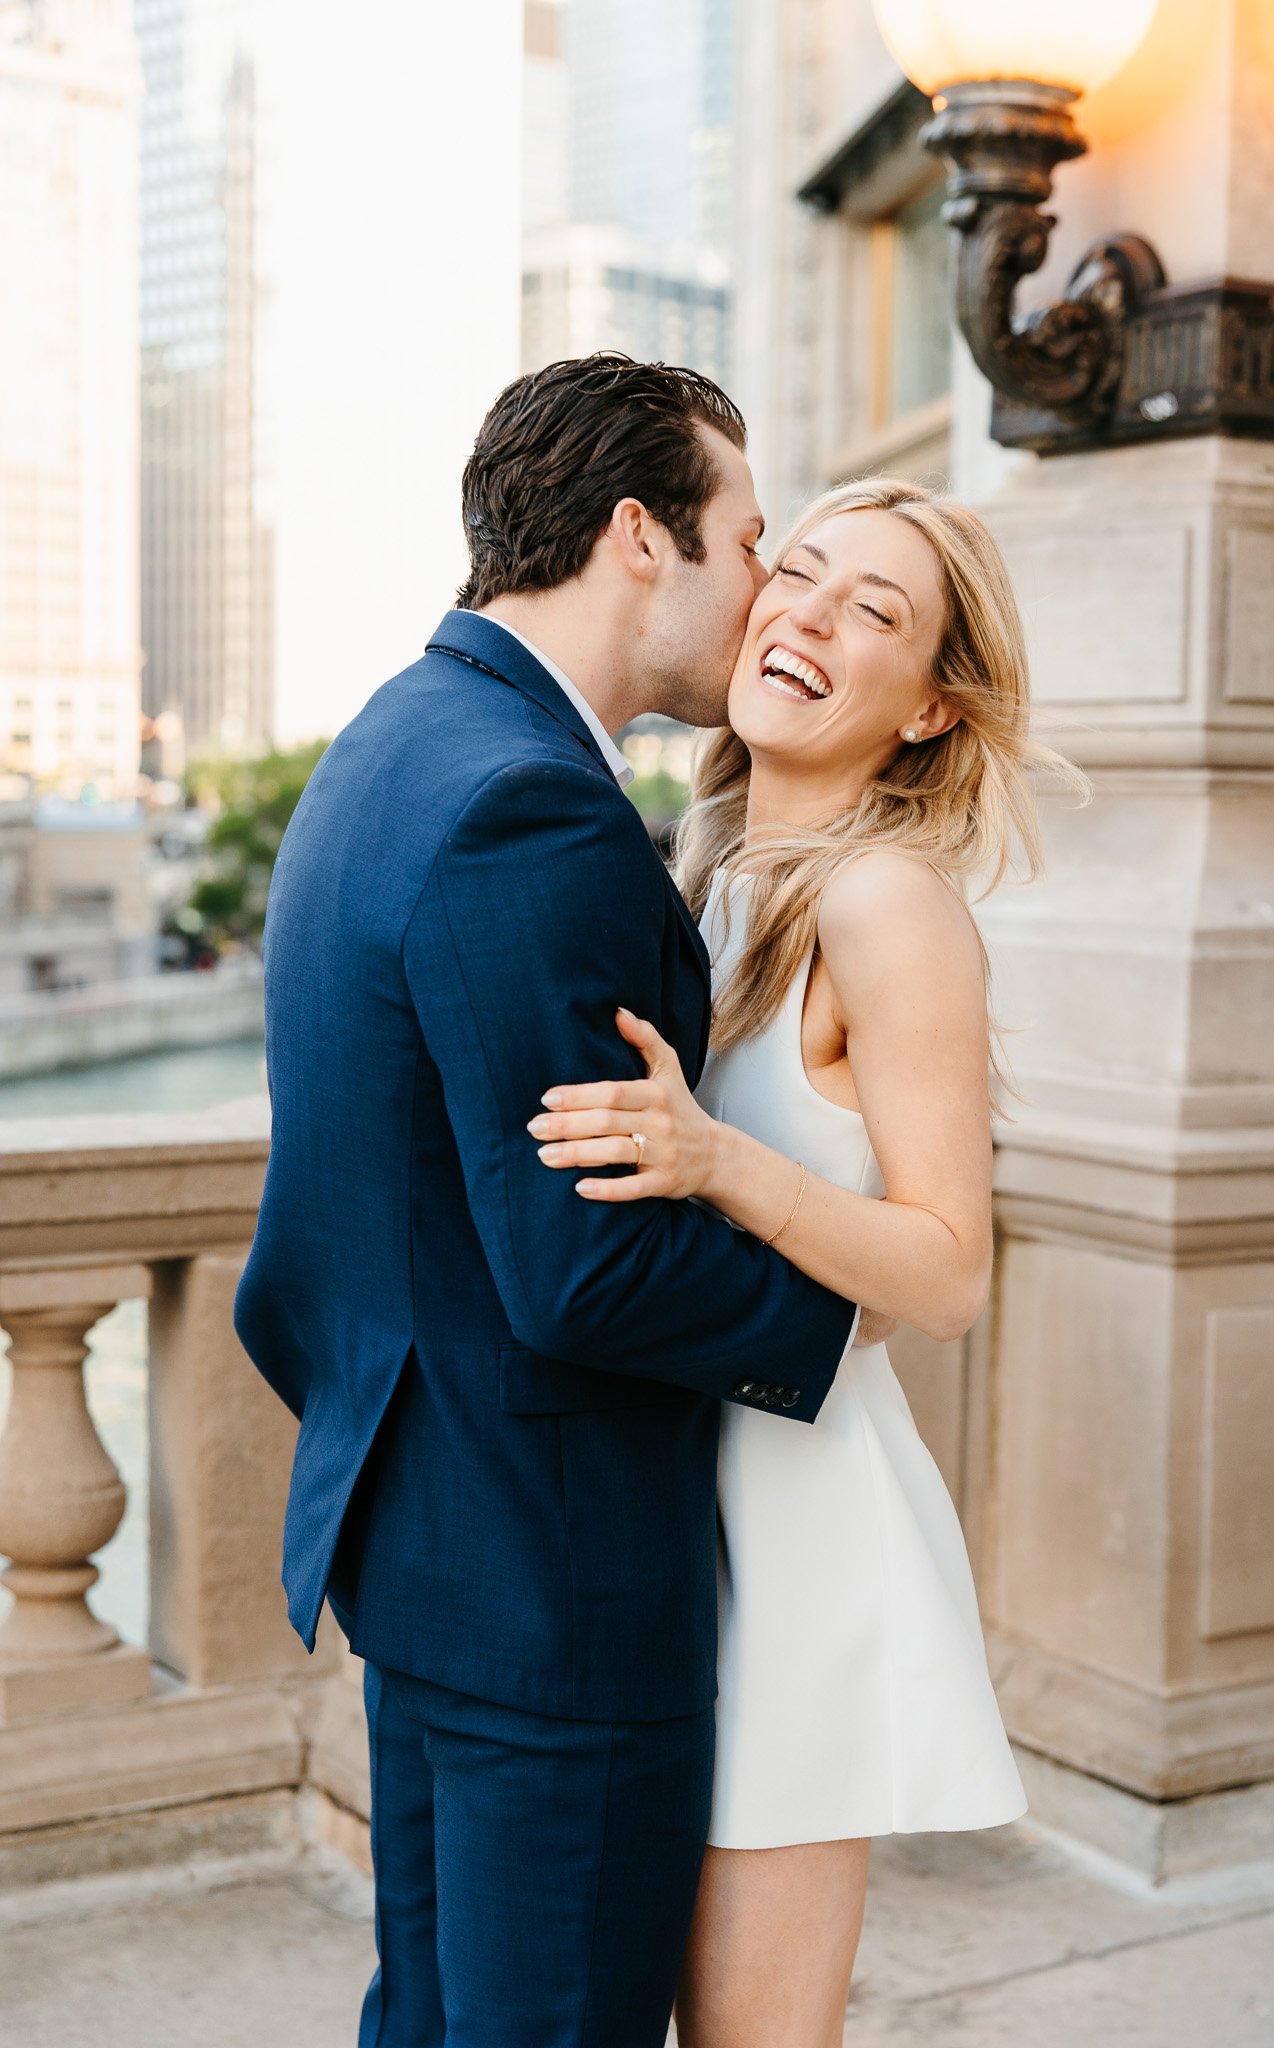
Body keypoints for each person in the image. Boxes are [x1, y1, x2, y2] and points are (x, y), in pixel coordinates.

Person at [231, 353, 863, 2048]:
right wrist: (850, 1299)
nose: (761, 589)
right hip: (551, 1577)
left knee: (439, 2018)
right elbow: (586, 1271)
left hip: (430, 1529)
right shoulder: (532, 809)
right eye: (745, 539)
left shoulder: (397, 737)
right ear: (640, 537)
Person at [531, 477, 1078, 2047]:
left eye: (876, 614)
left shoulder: (886, 902)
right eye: (806, 573)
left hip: (797, 1540)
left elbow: (948, 1270)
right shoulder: (695, 880)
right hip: (667, 1506)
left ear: (928, 709)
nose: (811, 618)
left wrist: (717, 1159)